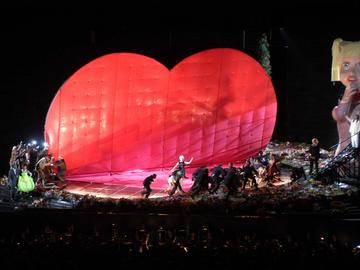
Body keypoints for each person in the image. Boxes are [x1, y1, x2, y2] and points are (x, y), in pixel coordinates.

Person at [331, 38, 360, 155]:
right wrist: (346, 99)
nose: (352, 73)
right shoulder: (344, 97)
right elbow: (339, 116)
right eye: (346, 65)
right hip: (344, 151)